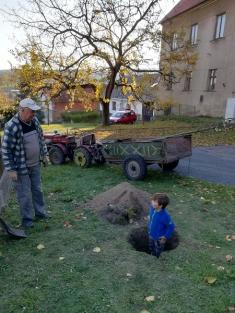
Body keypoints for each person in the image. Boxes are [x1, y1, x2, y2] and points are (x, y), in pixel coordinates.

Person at [2, 98, 50, 228]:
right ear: (21, 110)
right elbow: (6, 150)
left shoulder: (34, 121)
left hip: (35, 164)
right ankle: (27, 220)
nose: (33, 114)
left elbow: (41, 139)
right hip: (21, 167)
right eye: (31, 111)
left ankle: (40, 213)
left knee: (38, 190)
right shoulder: (12, 126)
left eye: (34, 112)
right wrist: (11, 169)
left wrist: (44, 155)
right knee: (24, 194)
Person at [148, 192, 175, 258]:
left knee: (158, 247)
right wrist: (150, 218)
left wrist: (165, 236)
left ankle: (156, 256)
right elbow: (152, 215)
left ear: (160, 205)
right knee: (151, 245)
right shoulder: (152, 208)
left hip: (159, 238)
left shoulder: (165, 216)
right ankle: (151, 253)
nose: (152, 201)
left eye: (154, 201)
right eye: (153, 200)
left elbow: (171, 226)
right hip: (151, 233)